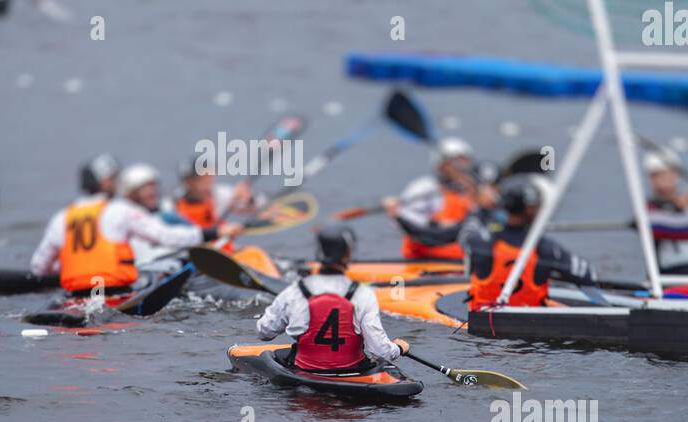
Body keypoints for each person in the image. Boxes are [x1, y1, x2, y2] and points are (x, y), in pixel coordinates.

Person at [31, 163, 242, 294]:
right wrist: (214, 233)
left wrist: (74, 264)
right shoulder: (121, 210)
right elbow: (165, 236)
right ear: (106, 184)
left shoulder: (61, 217)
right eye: (113, 178)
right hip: (116, 293)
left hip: (75, 296)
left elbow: (39, 268)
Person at [256, 225, 409, 371]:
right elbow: (381, 352)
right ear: (348, 252)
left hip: (305, 373)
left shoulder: (296, 292)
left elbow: (264, 332)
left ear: (318, 252)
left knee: (282, 356)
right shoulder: (363, 294)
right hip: (353, 373)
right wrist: (399, 348)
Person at [467, 175, 597, 309]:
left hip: (483, 321)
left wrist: (481, 209)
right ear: (529, 209)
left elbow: (466, 231)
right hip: (530, 321)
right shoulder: (546, 248)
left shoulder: (480, 241)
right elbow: (588, 275)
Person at [382, 137, 475, 260]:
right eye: (456, 162)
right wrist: (434, 224)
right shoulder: (425, 187)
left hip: (460, 259)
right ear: (442, 165)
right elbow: (403, 220)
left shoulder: (473, 190)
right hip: (424, 259)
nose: (462, 167)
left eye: (465, 161)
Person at [162, 159, 266, 231]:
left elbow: (261, 204)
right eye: (203, 177)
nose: (209, 181)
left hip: (219, 249)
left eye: (210, 175)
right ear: (188, 182)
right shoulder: (171, 203)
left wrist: (249, 198)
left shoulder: (220, 194)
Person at [461, 159, 506, 242]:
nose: (487, 192)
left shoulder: (507, 213)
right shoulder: (463, 208)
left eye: (493, 186)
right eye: (482, 186)